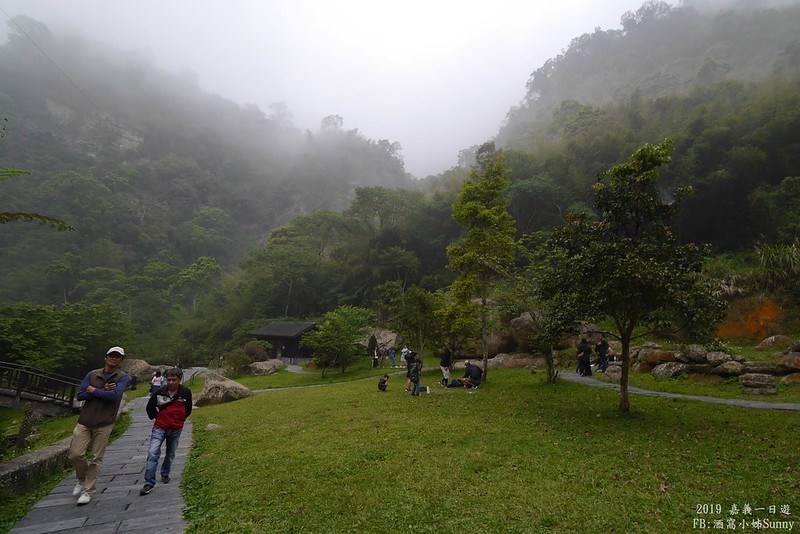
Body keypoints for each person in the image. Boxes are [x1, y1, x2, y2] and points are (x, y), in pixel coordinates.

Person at [68, 346, 130, 505]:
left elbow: (114, 396)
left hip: (104, 423)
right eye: (111, 355)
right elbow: (80, 394)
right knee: (76, 454)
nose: (114, 358)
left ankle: (88, 491)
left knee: (96, 458)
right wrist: (101, 390)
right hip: (85, 421)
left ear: (121, 360)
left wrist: (93, 391)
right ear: (106, 357)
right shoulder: (92, 374)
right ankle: (81, 479)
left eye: (117, 357)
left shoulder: (122, 377)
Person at [140, 368, 193, 496]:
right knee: (153, 453)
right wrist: (156, 417)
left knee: (170, 453)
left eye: (174, 380)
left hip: (176, 428)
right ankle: (149, 483)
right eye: (168, 380)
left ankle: (165, 473)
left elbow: (188, 408)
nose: (170, 382)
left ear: (179, 380)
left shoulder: (185, 392)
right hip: (160, 427)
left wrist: (181, 419)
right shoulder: (159, 392)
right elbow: (150, 407)